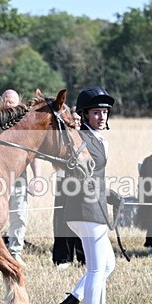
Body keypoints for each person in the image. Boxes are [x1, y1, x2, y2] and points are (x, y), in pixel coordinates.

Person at [51, 87, 117, 304]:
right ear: (85, 115)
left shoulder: (100, 140)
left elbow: (96, 179)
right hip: (85, 210)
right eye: (96, 113)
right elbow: (75, 174)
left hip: (94, 208)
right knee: (97, 268)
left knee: (108, 265)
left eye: (104, 112)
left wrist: (112, 195)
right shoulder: (79, 138)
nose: (101, 117)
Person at [0, 89, 42, 265]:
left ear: (19, 104)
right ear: (1, 101)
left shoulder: (25, 126)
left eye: (12, 102)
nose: (8, 104)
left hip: (18, 178)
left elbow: (33, 153)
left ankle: (15, 252)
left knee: (19, 215)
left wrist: (37, 177)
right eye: (6, 100)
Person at [51, 110, 86, 269]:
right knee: (62, 219)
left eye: (79, 119)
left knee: (82, 219)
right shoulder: (62, 139)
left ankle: (83, 257)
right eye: (74, 120)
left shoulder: (87, 139)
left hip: (83, 184)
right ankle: (63, 258)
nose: (77, 122)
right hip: (64, 181)